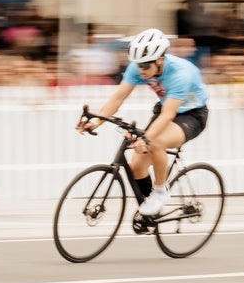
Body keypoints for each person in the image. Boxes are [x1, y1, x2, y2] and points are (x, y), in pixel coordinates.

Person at [76, 28, 209, 217]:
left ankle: (161, 191)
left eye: (146, 66)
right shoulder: (138, 66)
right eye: (138, 65)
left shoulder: (182, 73)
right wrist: (97, 121)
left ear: (160, 59)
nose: (141, 70)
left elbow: (168, 116)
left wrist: (146, 138)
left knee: (155, 142)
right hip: (165, 108)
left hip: (191, 114)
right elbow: (118, 98)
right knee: (137, 166)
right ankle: (152, 215)